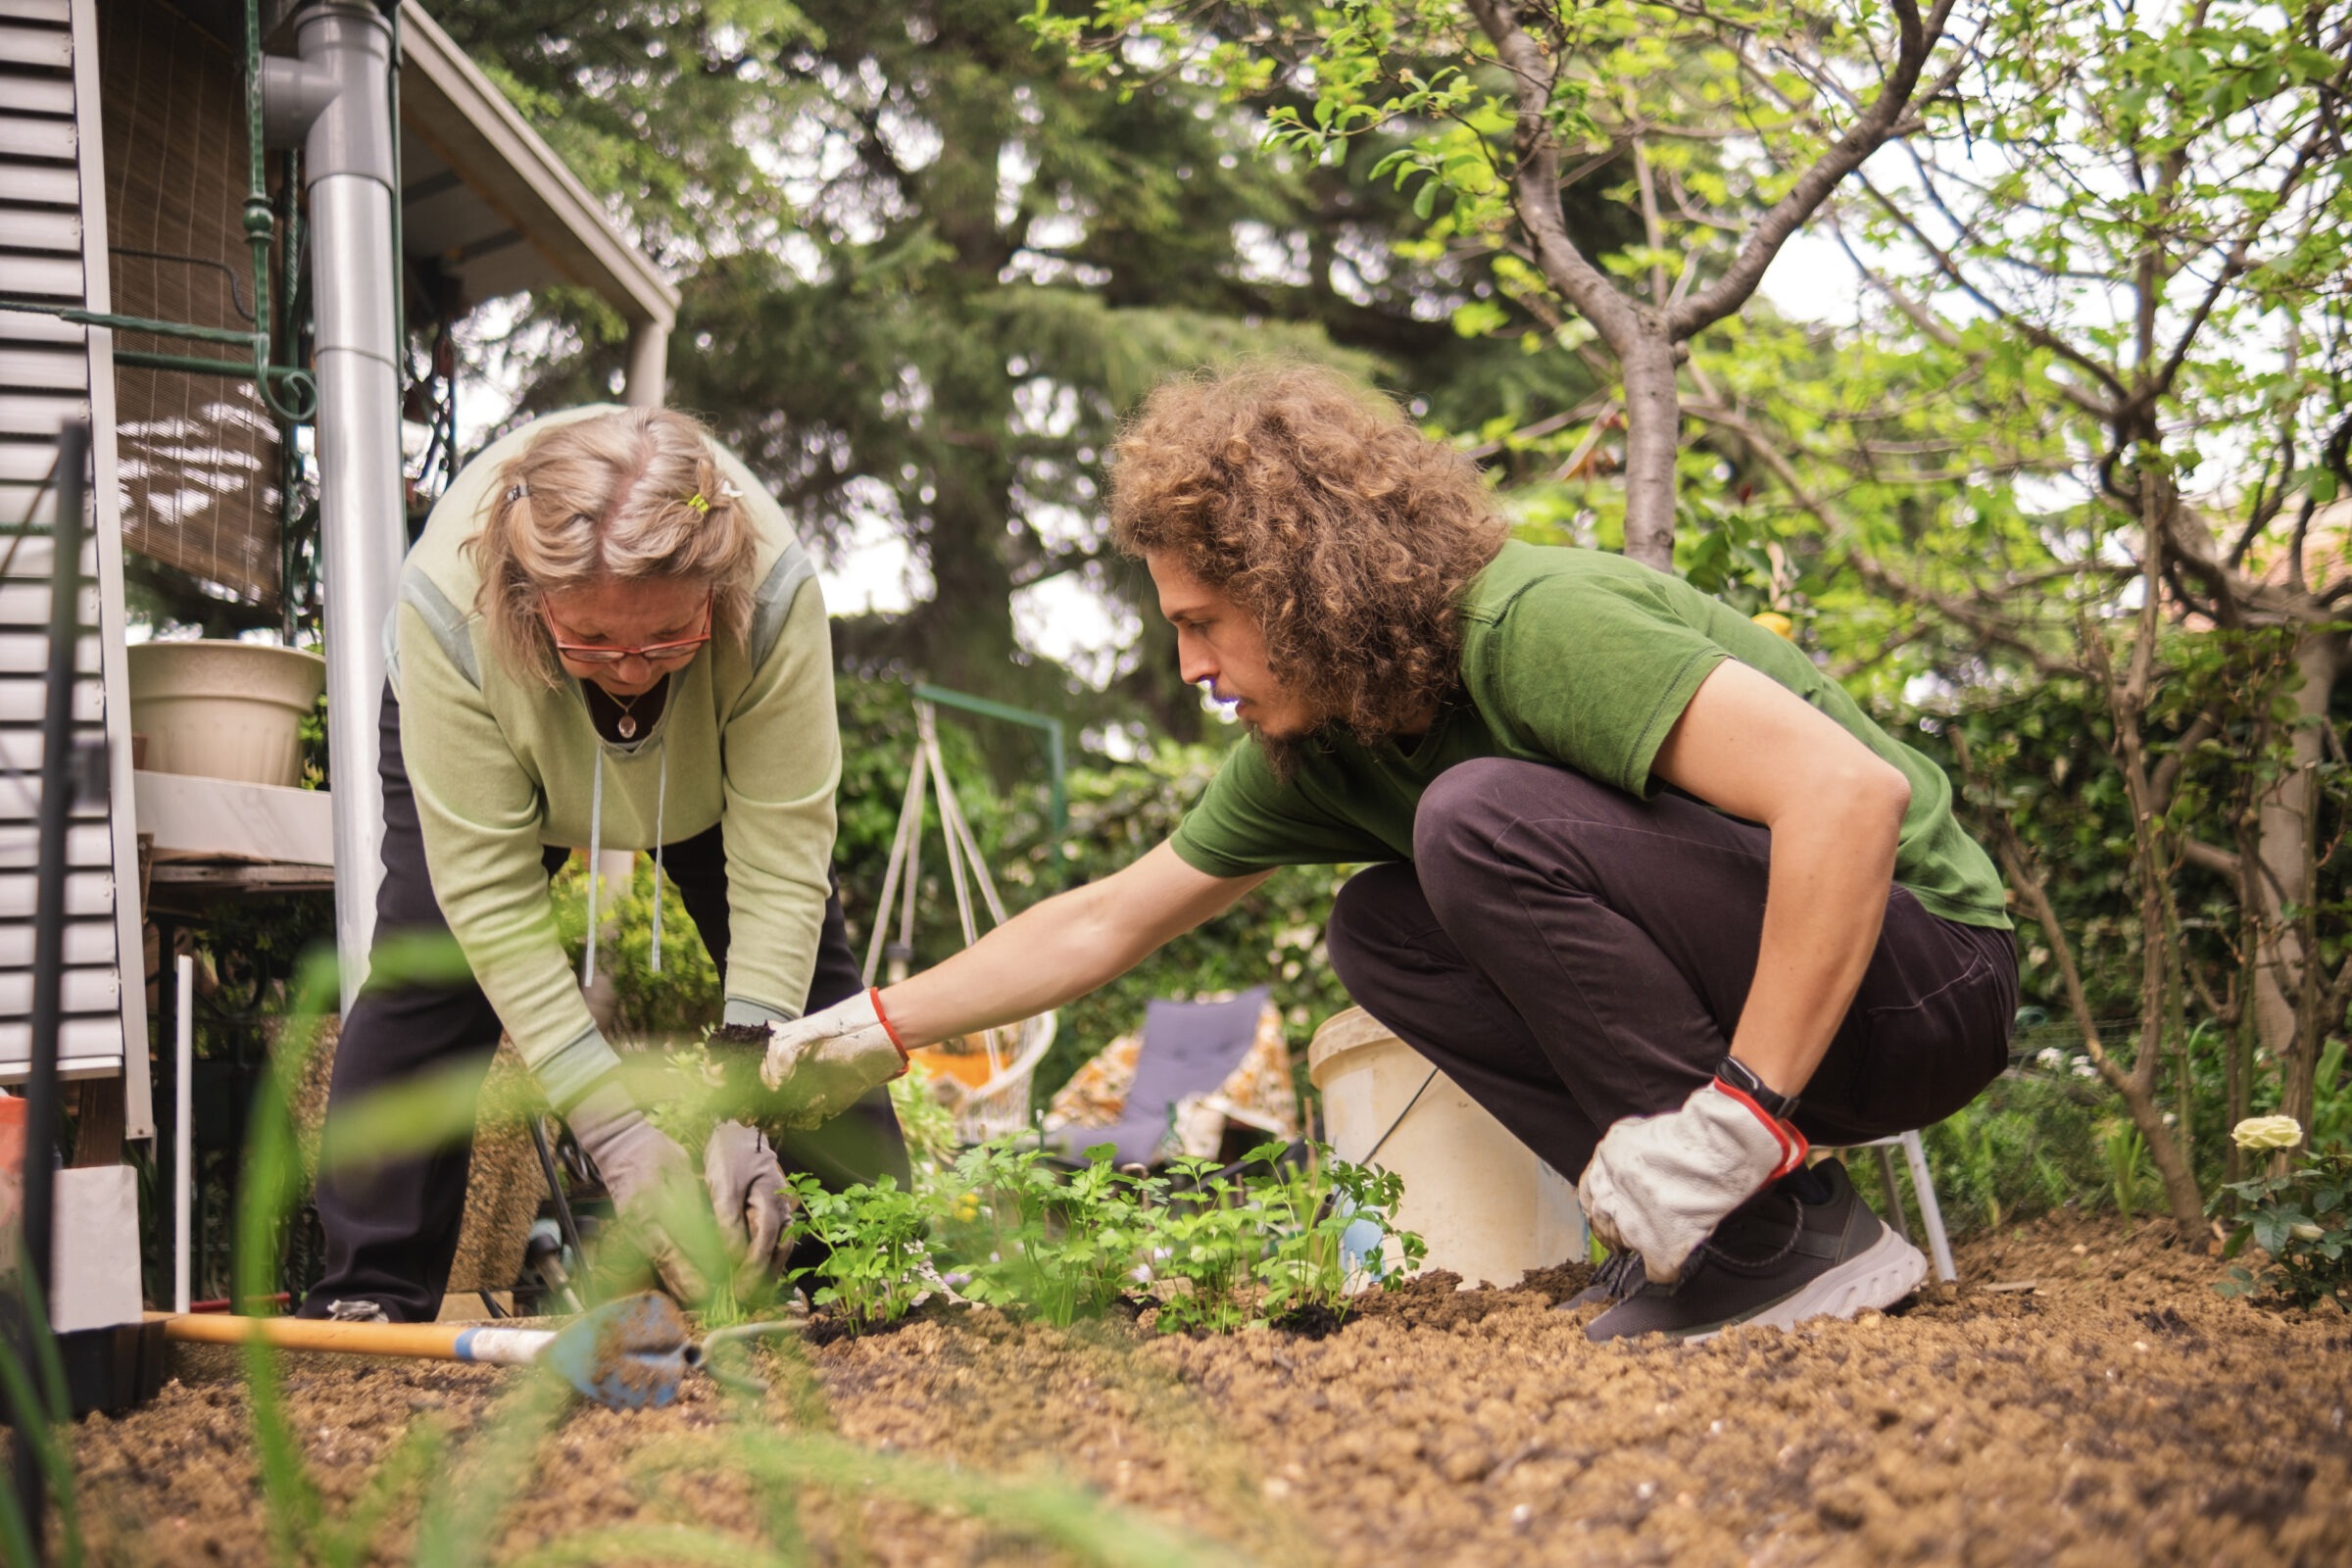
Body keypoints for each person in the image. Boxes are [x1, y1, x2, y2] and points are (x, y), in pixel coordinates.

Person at [760, 363, 2017, 1342]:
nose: (1191, 668)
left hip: (1922, 984)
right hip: (1792, 1043)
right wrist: (860, 1030)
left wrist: (1740, 1116)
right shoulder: (1328, 742)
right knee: (1380, 925)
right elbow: (1108, 918)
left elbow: (1850, 800)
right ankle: (1749, 1234)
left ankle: (1765, 1224)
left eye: (1204, 623)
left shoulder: (1533, 622)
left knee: (1472, 821)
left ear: (1304, 582)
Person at [301, 405, 906, 1324]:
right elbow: (493, 910)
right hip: (507, 743)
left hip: (707, 774)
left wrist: (747, 1106)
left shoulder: (775, 593)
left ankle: (864, 1267)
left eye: (666, 639)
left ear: (716, 587)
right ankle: (370, 1292)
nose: (630, 671)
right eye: (593, 640)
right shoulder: (447, 611)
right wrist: (619, 1137)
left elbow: (784, 870)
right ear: (527, 596)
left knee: (811, 993)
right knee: (431, 974)